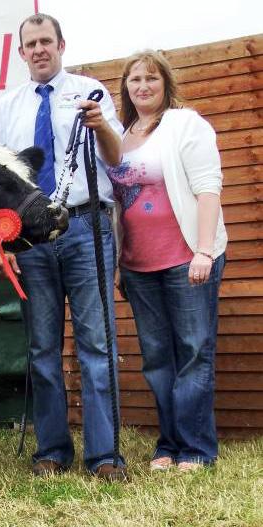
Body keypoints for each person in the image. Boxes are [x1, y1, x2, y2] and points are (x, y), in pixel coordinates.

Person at [0, 13, 128, 481]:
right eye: (31, 43)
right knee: (43, 349)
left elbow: (116, 157)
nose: (40, 49)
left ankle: (105, 456)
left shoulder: (91, 92)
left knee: (96, 345)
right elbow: (2, 182)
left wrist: (101, 124)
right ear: (21, 53)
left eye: (47, 41)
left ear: (62, 45)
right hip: (30, 240)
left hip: (86, 228)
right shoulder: (7, 107)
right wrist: (5, 246)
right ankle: (52, 450)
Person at [109, 50, 227, 472]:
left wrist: (204, 249)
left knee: (194, 351)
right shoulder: (121, 136)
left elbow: (209, 188)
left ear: (166, 84)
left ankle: (196, 448)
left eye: (151, 79)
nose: (142, 86)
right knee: (158, 357)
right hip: (140, 265)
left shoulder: (185, 124)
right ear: (125, 87)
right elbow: (117, 206)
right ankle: (169, 444)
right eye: (135, 79)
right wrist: (121, 262)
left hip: (187, 259)